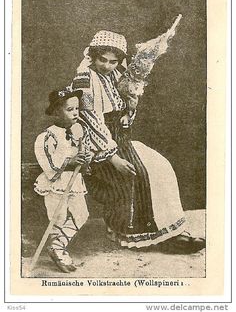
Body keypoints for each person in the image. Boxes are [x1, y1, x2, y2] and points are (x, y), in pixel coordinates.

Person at [71, 30, 205, 254]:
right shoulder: (85, 79)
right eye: (102, 59)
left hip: (121, 139)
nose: (106, 65)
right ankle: (144, 235)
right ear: (93, 56)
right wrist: (113, 158)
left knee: (161, 166)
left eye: (113, 61)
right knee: (139, 174)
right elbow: (89, 121)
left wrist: (128, 112)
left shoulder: (116, 74)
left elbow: (123, 107)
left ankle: (169, 231)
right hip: (97, 148)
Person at [34, 87, 93, 272]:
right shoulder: (47, 136)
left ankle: (57, 246)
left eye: (77, 108)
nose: (75, 113)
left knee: (81, 214)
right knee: (57, 218)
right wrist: (69, 160)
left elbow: (85, 150)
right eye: (70, 109)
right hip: (56, 184)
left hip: (74, 181)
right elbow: (48, 163)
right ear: (57, 111)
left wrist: (85, 158)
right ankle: (58, 251)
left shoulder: (79, 130)